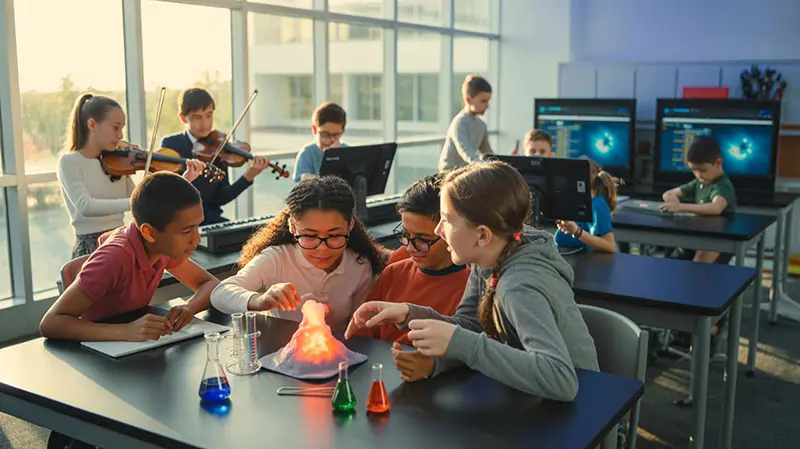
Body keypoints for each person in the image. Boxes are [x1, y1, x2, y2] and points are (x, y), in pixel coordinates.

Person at [346, 161, 599, 400]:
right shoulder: (489, 260)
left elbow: (561, 380)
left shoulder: (519, 286)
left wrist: (463, 345)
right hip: (528, 399)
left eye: (446, 220)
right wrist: (408, 313)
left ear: (482, 235)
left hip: (581, 416)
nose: (438, 231)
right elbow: (470, 325)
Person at [40, 172, 219, 341]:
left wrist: (188, 307)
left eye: (197, 227)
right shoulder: (114, 258)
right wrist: (125, 331)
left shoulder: (161, 247)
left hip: (132, 347)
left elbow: (209, 284)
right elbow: (51, 322)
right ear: (149, 232)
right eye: (187, 231)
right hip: (97, 354)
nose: (197, 238)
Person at [209, 176, 385, 331]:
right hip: (281, 355)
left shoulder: (359, 266)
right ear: (292, 227)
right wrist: (259, 300)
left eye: (334, 235)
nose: (322, 248)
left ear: (350, 226)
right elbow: (220, 293)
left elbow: (357, 325)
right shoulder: (277, 258)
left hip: (334, 356)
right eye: (309, 235)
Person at [352, 174, 471, 382]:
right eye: (406, 235)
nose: (409, 247)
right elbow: (364, 341)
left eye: (423, 240)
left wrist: (434, 365)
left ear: (450, 231)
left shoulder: (473, 286)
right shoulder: (394, 273)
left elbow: (476, 349)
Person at [57, 93, 205, 257]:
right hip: (90, 247)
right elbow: (86, 206)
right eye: (115, 127)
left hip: (121, 241)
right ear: (92, 125)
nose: (120, 135)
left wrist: (184, 179)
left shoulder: (117, 161)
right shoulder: (70, 161)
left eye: (122, 128)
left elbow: (148, 203)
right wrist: (135, 202)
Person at [160, 87, 271, 225]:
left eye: (209, 115)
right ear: (183, 118)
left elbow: (221, 198)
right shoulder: (171, 144)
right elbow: (166, 196)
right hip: (181, 221)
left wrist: (249, 175)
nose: (205, 124)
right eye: (197, 117)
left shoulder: (219, 147)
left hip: (211, 220)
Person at [660, 135, 737, 263]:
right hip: (699, 234)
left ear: (718, 163)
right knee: (673, 258)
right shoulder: (699, 182)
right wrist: (672, 200)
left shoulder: (722, 185)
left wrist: (680, 207)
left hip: (719, 239)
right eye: (694, 170)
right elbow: (668, 194)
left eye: (703, 170)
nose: (698, 175)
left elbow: (716, 207)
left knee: (700, 262)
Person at [554, 158, 618, 253]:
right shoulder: (581, 203)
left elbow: (610, 245)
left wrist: (576, 231)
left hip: (587, 263)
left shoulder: (597, 205)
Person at [438, 75, 493, 172]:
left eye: (488, 101)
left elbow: (488, 155)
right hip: (448, 175)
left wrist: (505, 163)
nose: (487, 106)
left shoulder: (481, 125)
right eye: (483, 101)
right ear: (468, 100)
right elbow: (466, 152)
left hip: (466, 174)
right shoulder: (459, 123)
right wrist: (484, 167)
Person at [293, 101, 349, 182]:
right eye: (326, 134)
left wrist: (336, 153)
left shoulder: (347, 151)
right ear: (315, 129)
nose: (331, 140)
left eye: (336, 135)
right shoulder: (307, 153)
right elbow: (302, 182)